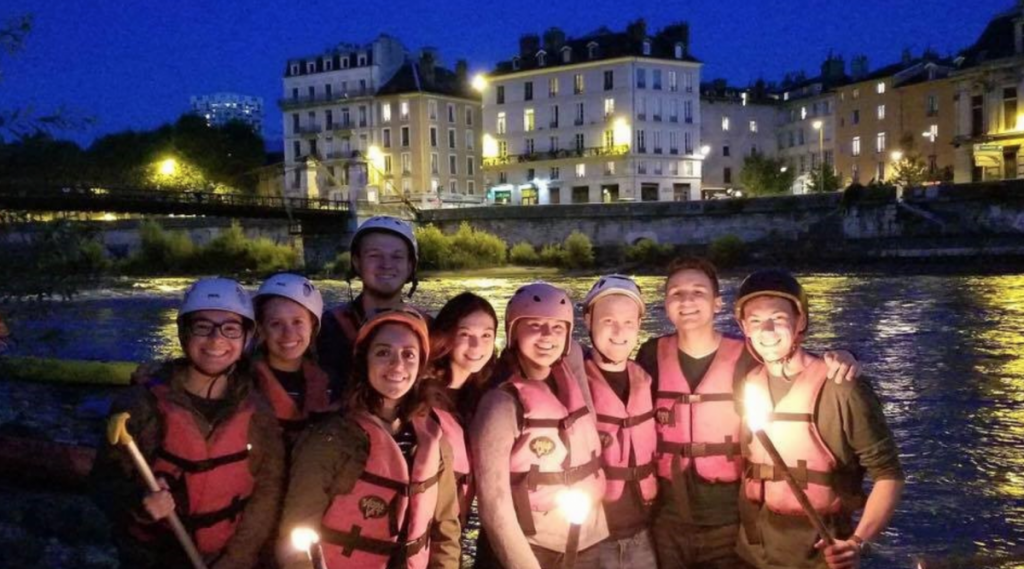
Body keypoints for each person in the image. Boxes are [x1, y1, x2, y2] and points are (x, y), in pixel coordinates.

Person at [634, 257, 859, 569]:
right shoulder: (650, 355)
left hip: (731, 521)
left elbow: (791, 362)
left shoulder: (747, 356)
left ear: (717, 303)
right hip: (668, 520)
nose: (687, 301)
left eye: (698, 292)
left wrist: (845, 356)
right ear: (666, 304)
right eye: (676, 293)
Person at [90, 277, 285, 569]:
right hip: (154, 560)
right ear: (184, 335)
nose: (216, 340)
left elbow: (265, 494)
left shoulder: (258, 412)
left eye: (230, 329)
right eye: (202, 327)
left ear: (246, 338)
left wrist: (236, 559)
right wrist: (139, 502)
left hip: (227, 559)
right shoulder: (139, 406)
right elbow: (103, 484)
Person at [734, 269, 904, 569]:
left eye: (779, 318)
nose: (767, 331)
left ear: (800, 322)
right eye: (756, 321)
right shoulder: (749, 382)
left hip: (819, 556)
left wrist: (856, 542)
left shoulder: (842, 387)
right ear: (745, 327)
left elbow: (888, 475)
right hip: (754, 551)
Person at [278, 309, 461, 569]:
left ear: (421, 364)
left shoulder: (433, 439)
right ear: (364, 361)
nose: (397, 365)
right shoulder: (329, 439)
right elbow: (295, 538)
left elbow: (446, 531)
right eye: (383, 352)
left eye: (408, 354)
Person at [471, 282, 608, 569]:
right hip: (534, 548)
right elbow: (494, 505)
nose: (548, 336)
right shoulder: (501, 403)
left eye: (558, 328)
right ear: (513, 332)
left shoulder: (570, 378)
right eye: (534, 325)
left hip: (588, 541)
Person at [580, 275, 659, 568]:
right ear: (588, 320)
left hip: (643, 536)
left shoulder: (647, 379)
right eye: (608, 321)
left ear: (639, 325)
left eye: (628, 322)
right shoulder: (569, 382)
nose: (619, 332)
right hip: (589, 541)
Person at [317, 216, 430, 396]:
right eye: (374, 255)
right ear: (356, 262)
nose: (386, 265)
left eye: (397, 257)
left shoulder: (430, 329)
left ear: (410, 266)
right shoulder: (326, 329)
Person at [423, 292, 499, 526]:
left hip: (456, 521)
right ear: (447, 336)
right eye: (465, 334)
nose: (477, 345)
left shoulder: (486, 394)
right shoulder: (422, 397)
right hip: (425, 521)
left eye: (486, 335)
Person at [252, 273, 333, 450]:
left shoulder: (330, 384)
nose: (288, 334)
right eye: (276, 324)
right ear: (262, 329)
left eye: (297, 322)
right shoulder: (243, 384)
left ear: (312, 325)